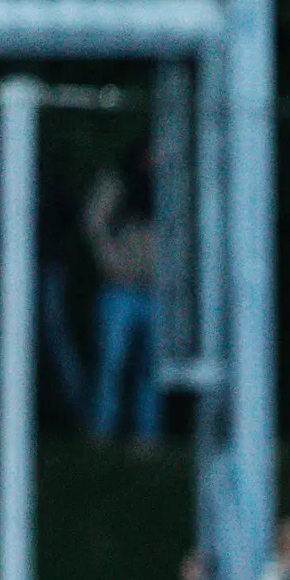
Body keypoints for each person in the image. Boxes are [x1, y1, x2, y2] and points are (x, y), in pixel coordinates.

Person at [83, 144, 159, 444]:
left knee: (151, 368)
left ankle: (147, 440)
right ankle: (101, 433)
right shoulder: (119, 181)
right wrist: (110, 261)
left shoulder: (171, 186)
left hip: (156, 289)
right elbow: (93, 220)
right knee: (111, 362)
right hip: (120, 286)